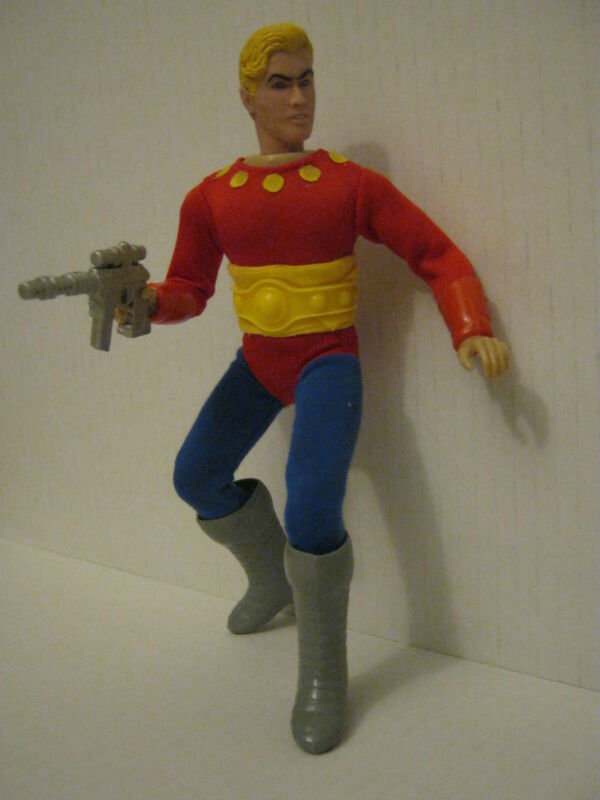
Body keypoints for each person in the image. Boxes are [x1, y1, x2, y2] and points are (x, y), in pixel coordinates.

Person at [124, 22, 509, 754]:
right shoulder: (212, 197)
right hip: (258, 364)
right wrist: (144, 303)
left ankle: (323, 669)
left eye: (306, 80)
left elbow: (437, 253)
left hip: (328, 361)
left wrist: (469, 324)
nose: (299, 98)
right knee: (196, 474)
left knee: (311, 503)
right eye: (281, 83)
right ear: (248, 97)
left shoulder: (347, 184)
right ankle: (273, 581)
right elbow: (188, 288)